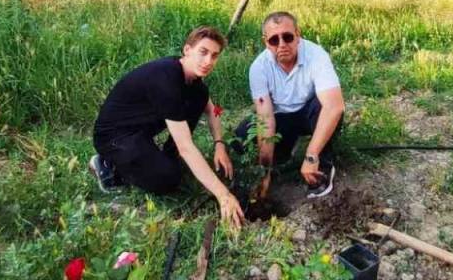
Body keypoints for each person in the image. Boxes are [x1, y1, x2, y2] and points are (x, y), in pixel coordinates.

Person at [89, 25, 244, 229]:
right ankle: (109, 166)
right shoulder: (166, 78)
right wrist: (223, 194)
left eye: (214, 56)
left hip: (139, 134)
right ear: (187, 50)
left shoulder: (195, 83)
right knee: (167, 179)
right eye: (203, 52)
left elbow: (214, 110)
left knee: (199, 99)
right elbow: (186, 146)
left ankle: (166, 159)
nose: (208, 61)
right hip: (114, 137)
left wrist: (219, 144)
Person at [235, 11, 345, 198]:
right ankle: (284, 152)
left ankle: (322, 164)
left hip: (310, 112)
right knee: (242, 135)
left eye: (287, 37)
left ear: (298, 34)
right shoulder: (259, 68)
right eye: (274, 40)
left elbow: (335, 106)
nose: (282, 45)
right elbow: (265, 118)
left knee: (326, 106)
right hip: (281, 118)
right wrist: (265, 171)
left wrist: (311, 155)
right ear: (265, 42)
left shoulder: (316, 56)